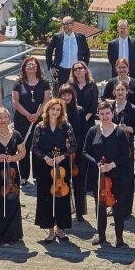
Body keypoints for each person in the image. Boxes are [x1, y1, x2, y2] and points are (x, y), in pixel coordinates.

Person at [85, 101, 134, 247]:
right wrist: (97, 163)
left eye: (108, 113)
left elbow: (126, 155)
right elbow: (85, 152)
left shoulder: (119, 132)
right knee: (100, 206)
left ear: (112, 114)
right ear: (98, 115)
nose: (105, 116)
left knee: (117, 206)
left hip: (117, 175)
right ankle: (101, 235)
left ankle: (119, 237)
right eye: (102, 114)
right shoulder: (93, 131)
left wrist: (111, 165)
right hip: (98, 175)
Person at [32, 99, 73, 243]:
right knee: (46, 199)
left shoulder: (66, 126)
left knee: (61, 197)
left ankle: (60, 230)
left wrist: (62, 156)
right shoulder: (40, 127)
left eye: (58, 109)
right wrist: (45, 158)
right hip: (45, 166)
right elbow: (34, 148)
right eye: (53, 109)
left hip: (61, 166)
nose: (55, 112)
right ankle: (50, 230)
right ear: (48, 110)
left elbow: (73, 146)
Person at [0, 107, 25, 246]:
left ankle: (13, 235)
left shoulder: (17, 134)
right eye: (0, 118)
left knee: (13, 202)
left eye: (5, 117)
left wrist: (12, 158)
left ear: (9, 118)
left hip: (12, 173)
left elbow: (22, 153)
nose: (3, 120)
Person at [12, 55, 50, 182]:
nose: (31, 66)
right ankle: (23, 176)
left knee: (37, 146)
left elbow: (47, 100)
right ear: (24, 67)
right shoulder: (18, 82)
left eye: (34, 64)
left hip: (39, 118)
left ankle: (37, 174)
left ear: (38, 67)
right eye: (29, 64)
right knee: (23, 145)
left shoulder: (44, 82)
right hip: (22, 119)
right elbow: (15, 102)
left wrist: (37, 114)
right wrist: (28, 114)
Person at [55, 83, 88, 224]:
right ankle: (65, 211)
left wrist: (73, 145)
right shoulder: (56, 111)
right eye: (63, 94)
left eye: (69, 94)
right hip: (62, 152)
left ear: (72, 96)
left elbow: (83, 133)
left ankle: (80, 212)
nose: (66, 97)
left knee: (79, 183)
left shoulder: (79, 111)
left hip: (77, 152)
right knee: (63, 181)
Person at [46, 15, 90, 86]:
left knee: (76, 91)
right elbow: (48, 51)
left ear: (72, 24)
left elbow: (87, 52)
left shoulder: (80, 37)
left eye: (67, 24)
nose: (65, 26)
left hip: (76, 70)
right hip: (61, 71)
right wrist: (51, 66)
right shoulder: (57, 37)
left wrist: (84, 67)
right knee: (62, 93)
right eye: (63, 24)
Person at [68, 62, 99, 135]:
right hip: (74, 118)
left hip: (89, 119)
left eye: (80, 68)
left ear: (85, 70)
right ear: (73, 72)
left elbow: (94, 104)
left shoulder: (92, 84)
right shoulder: (70, 85)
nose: (78, 70)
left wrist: (86, 118)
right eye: (75, 69)